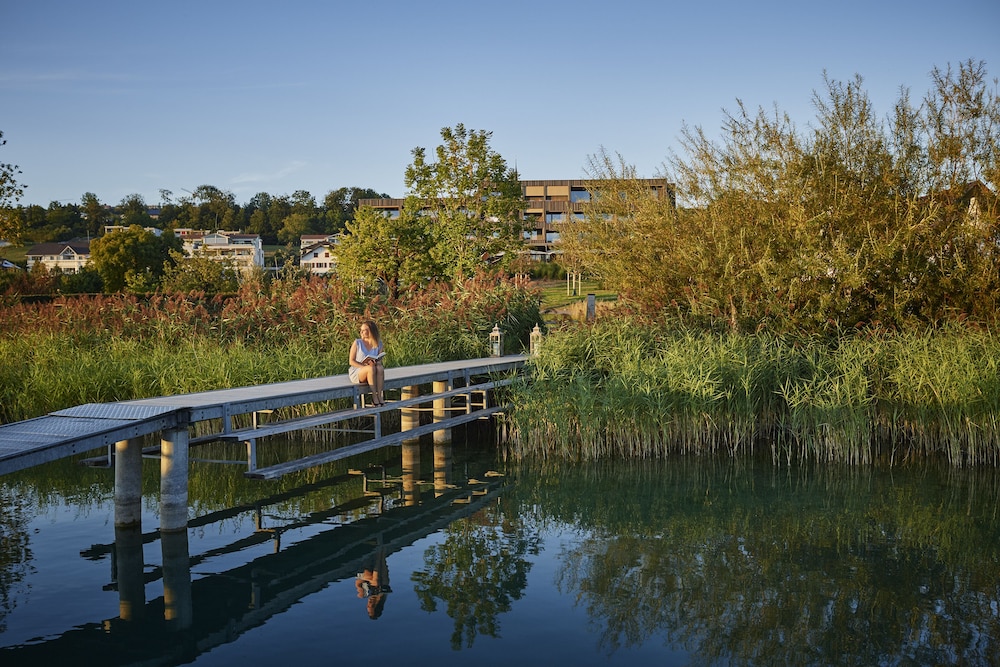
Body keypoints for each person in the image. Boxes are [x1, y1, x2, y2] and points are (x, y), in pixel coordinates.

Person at [349, 320, 385, 406]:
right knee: (370, 368)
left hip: (373, 368)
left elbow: (379, 361)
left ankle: (379, 395)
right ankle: (374, 396)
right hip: (358, 370)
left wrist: (376, 362)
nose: (361, 332)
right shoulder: (357, 343)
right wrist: (364, 366)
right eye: (361, 330)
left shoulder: (379, 344)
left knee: (380, 368)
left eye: (364, 330)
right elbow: (351, 361)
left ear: (371, 331)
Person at [355, 541, 391, 620]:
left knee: (376, 582)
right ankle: (381, 554)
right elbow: (384, 576)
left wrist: (367, 579)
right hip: (375, 570)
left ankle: (380, 553)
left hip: (364, 568)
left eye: (368, 605)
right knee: (382, 583)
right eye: (372, 605)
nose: (370, 603)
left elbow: (357, 581)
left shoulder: (363, 594)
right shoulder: (382, 592)